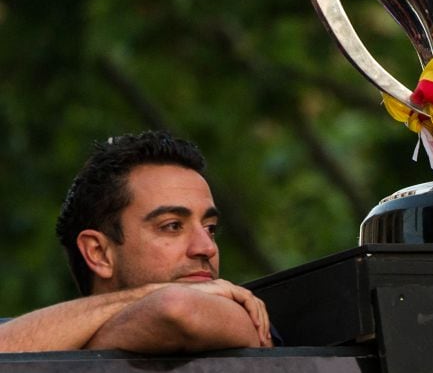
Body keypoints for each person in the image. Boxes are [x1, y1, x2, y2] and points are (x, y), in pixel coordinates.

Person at [0, 131, 272, 353]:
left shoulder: (246, 316)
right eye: (172, 226)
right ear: (99, 253)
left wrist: (66, 346)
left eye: (210, 228)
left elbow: (176, 309)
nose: (207, 247)